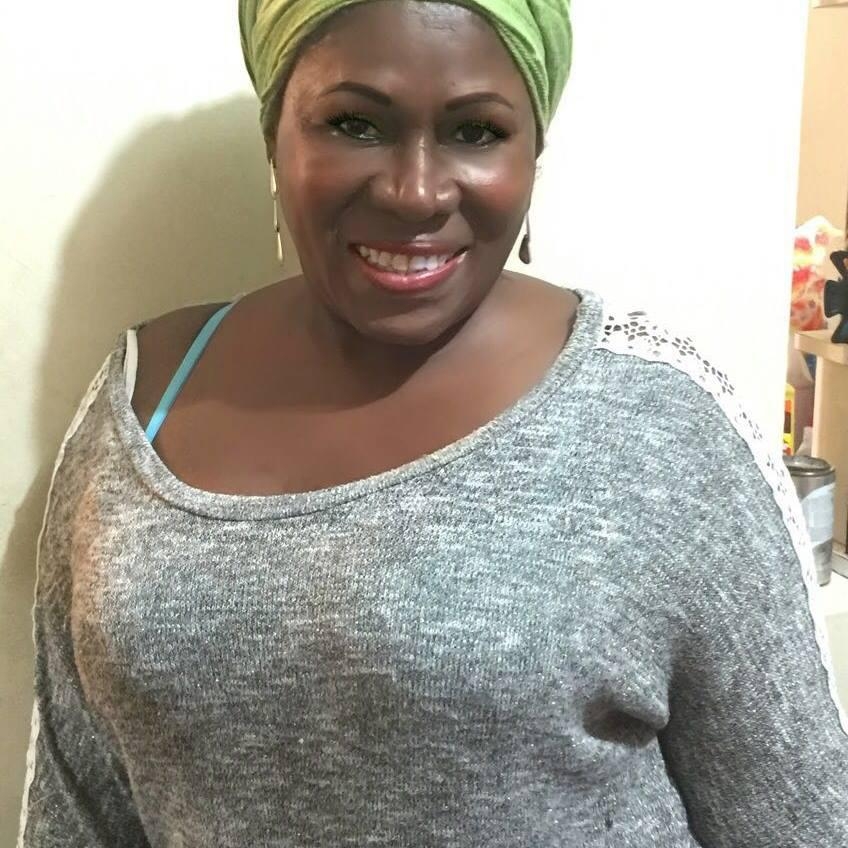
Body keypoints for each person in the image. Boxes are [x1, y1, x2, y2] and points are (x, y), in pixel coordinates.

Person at [16, 0, 848, 845]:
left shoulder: (661, 422)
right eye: (354, 124)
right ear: (274, 137)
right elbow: (75, 808)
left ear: (533, 151)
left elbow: (802, 820)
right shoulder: (143, 398)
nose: (415, 192)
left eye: (477, 132)